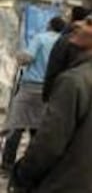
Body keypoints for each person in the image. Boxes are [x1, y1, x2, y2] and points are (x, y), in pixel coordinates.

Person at [9, 10, 92, 192]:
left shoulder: (74, 80)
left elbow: (49, 143)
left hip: (64, 184)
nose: (77, 24)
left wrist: (22, 173)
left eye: (88, 23)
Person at [1, 16, 66, 172]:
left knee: (16, 125)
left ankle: (7, 164)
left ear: (50, 25)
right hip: (50, 90)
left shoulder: (40, 38)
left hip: (30, 88)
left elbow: (28, 57)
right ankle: (31, 165)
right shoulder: (63, 42)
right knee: (37, 129)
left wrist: (19, 57)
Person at [42, 6, 91, 102]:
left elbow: (54, 67)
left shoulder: (66, 39)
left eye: (69, 15)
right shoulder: (90, 42)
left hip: (61, 92)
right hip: (81, 95)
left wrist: (46, 95)